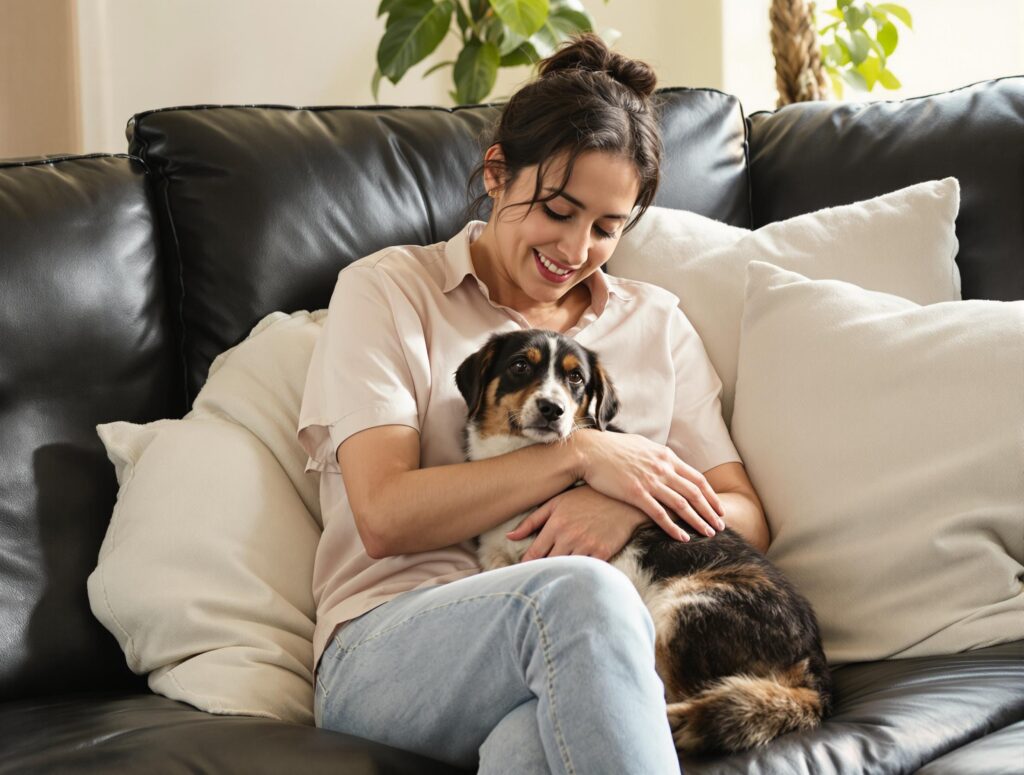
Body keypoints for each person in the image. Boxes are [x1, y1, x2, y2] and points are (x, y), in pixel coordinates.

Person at [297, 33, 768, 774]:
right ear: (497, 174)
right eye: (558, 209)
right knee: (583, 594)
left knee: (534, 747)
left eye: (607, 228)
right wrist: (581, 452)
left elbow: (745, 514)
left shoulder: (656, 324)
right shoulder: (390, 290)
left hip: (587, 653)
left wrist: (626, 508)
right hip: (389, 648)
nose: (576, 247)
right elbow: (384, 515)